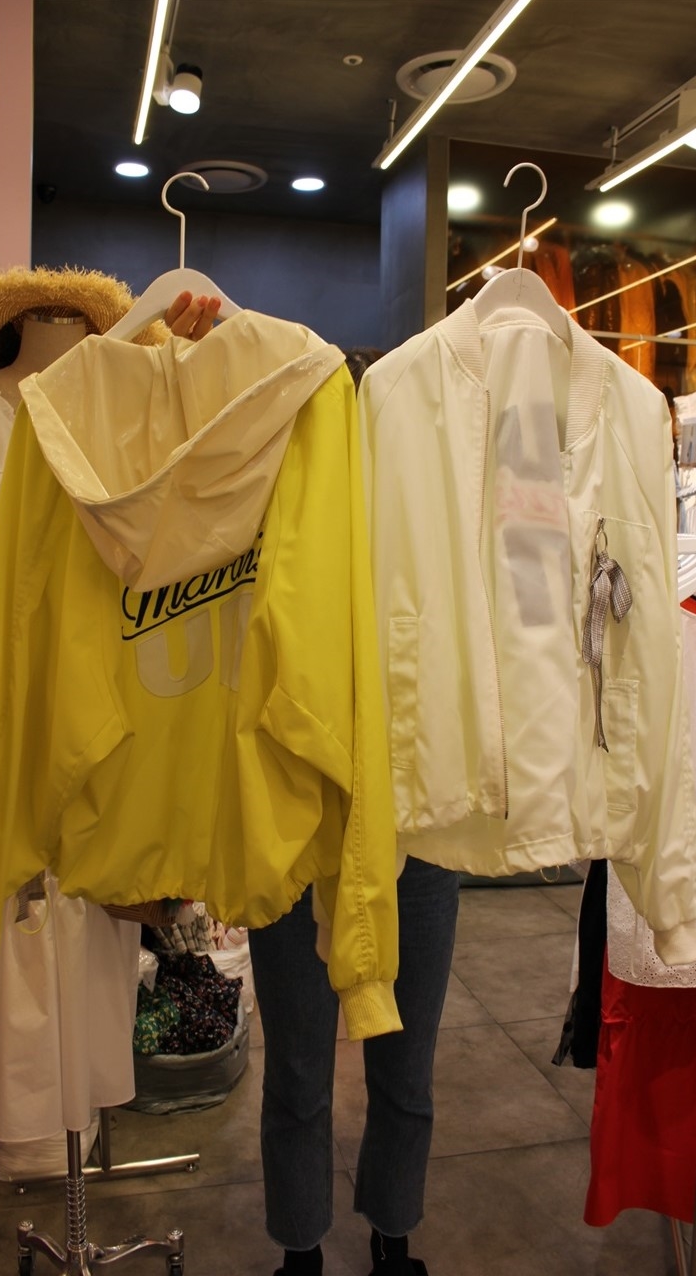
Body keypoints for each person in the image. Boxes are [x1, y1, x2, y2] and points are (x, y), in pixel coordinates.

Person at [171, 318, 457, 1276]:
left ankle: (392, 1234)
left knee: (405, 1064)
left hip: (412, 828)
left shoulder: (430, 535)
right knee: (297, 1065)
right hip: (298, 823)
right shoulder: (276, 523)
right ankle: (299, 1249)